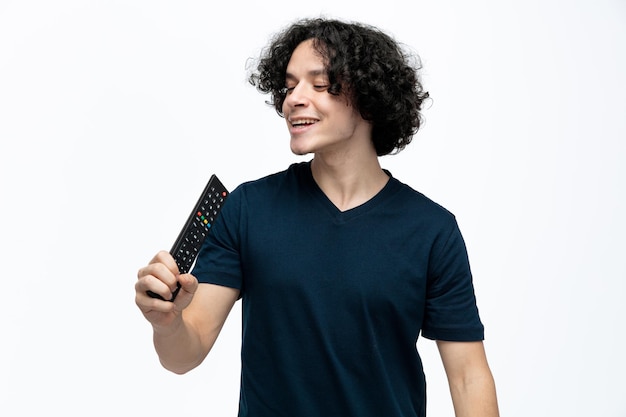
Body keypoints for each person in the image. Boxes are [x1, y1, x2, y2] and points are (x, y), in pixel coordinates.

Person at [135, 17, 499, 417]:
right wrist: (166, 324)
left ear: (369, 97)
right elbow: (185, 353)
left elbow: (468, 377)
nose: (294, 99)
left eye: (320, 84)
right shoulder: (247, 209)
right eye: (289, 86)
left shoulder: (432, 231)